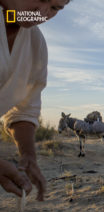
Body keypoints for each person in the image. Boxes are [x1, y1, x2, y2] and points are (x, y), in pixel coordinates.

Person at [0, 0, 69, 200]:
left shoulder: (35, 44)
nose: (41, 12)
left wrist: (28, 155)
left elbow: (24, 109)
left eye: (56, 8)